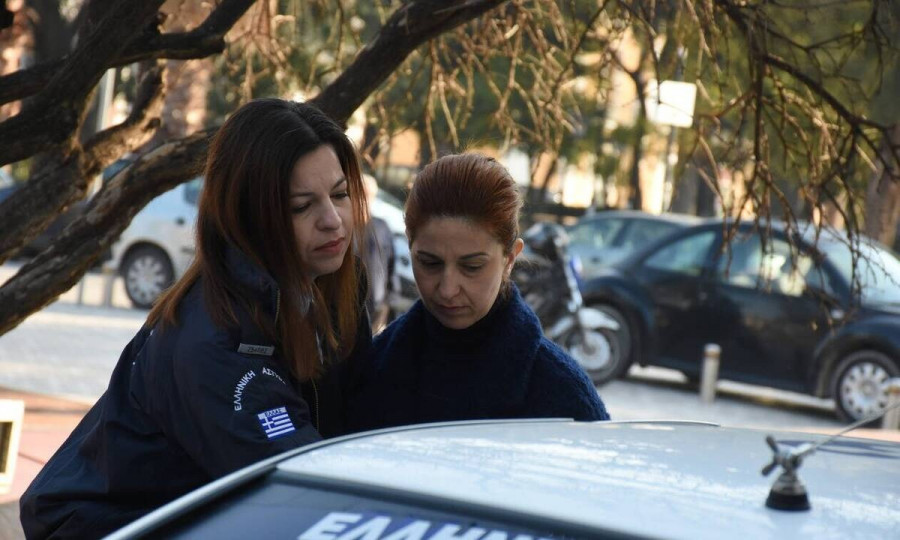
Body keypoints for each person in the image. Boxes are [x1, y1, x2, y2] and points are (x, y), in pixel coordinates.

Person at [20, 99, 372, 538]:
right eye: (301, 206)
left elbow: (368, 414)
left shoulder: (331, 286)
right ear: (247, 217)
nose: (332, 220)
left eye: (340, 194)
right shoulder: (215, 342)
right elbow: (301, 486)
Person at [347, 153, 609, 431]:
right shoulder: (373, 368)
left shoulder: (564, 396)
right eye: (429, 263)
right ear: (409, 247)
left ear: (510, 258)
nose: (448, 289)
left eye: (472, 267)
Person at [361, 174, 395, 332]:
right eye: (361, 194)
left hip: (377, 308)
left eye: (368, 195)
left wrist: (387, 305)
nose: (364, 200)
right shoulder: (343, 230)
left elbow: (391, 267)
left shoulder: (382, 227)